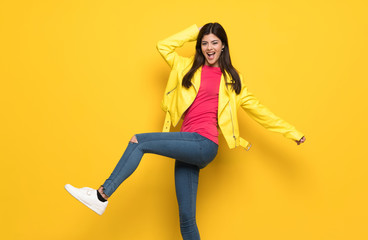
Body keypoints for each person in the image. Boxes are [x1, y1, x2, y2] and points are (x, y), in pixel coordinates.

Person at [65, 23, 306, 240]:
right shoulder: (185, 66)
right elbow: (164, 46)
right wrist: (195, 32)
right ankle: (101, 197)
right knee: (187, 222)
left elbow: (260, 111)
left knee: (139, 141)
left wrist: (291, 132)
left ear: (223, 46)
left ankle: (100, 196)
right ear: (200, 46)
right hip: (188, 148)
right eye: (204, 42)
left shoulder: (233, 80)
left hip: (204, 143)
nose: (209, 47)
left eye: (214, 42)